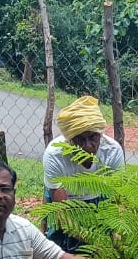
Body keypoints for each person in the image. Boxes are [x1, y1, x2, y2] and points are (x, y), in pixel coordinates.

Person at [43, 95, 125, 250]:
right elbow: (63, 216)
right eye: (80, 139)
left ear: (100, 133)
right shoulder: (55, 155)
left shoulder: (113, 152)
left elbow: (117, 202)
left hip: (100, 202)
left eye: (93, 137)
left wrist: (116, 240)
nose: (88, 146)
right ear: (69, 139)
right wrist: (97, 242)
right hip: (67, 206)